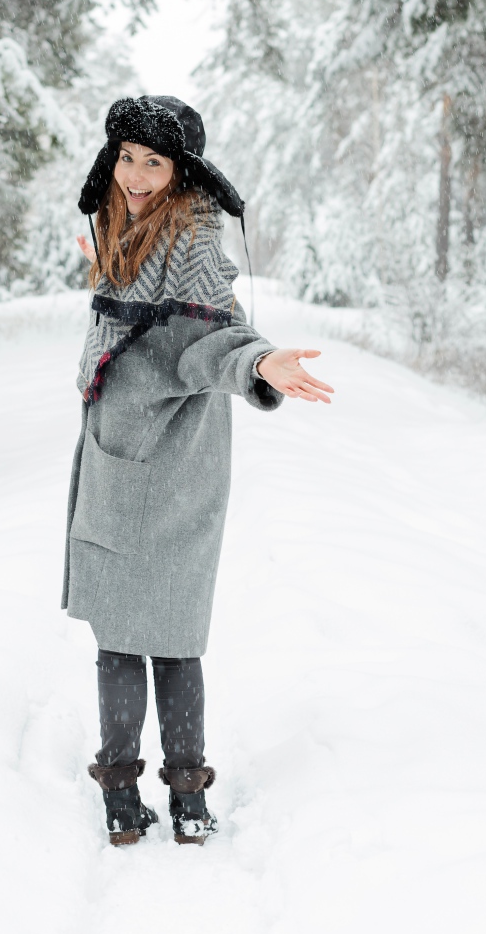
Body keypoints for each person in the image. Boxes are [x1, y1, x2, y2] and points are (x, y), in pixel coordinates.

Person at [63, 95, 334, 846]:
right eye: (126, 157)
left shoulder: (191, 241)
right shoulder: (122, 229)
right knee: (124, 636)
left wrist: (262, 363)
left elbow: (221, 335)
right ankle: (135, 797)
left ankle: (181, 795)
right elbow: (133, 315)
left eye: (154, 162)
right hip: (120, 456)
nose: (137, 175)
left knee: (169, 636)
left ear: (182, 172)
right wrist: (105, 273)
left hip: (176, 461)